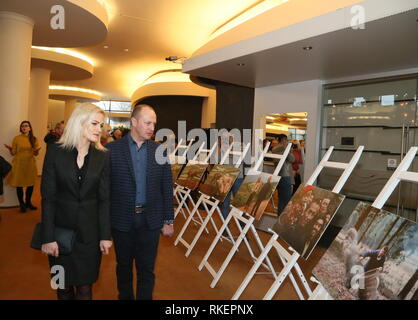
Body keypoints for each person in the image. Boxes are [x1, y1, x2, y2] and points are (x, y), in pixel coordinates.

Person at [40, 103, 112, 300]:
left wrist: (105, 235)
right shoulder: (55, 151)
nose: (100, 129)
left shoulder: (103, 156)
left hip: (90, 236)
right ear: (79, 123)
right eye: (95, 124)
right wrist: (47, 237)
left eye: (102, 125)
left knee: (85, 289)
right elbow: (48, 198)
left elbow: (105, 199)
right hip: (59, 235)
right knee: (61, 286)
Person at [106, 104, 174, 300]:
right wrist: (104, 226)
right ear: (134, 122)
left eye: (154, 123)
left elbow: (166, 187)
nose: (152, 127)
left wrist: (168, 219)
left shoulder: (159, 150)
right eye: (147, 122)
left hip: (150, 221)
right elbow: (105, 190)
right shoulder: (111, 150)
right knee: (124, 267)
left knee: (147, 269)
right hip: (121, 220)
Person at [4, 121, 40, 212]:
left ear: (30, 128)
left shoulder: (34, 139)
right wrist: (10, 149)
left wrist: (36, 151)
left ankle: (28, 202)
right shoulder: (16, 138)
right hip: (19, 164)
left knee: (30, 184)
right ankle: (22, 205)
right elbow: (13, 153)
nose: (24, 127)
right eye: (22, 126)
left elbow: (36, 154)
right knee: (19, 184)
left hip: (30, 164)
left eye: (26, 126)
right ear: (21, 128)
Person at [272, 134, 295, 215]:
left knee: (281, 200)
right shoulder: (285, 149)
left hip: (278, 176)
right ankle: (282, 221)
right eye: (287, 140)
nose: (287, 142)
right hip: (285, 177)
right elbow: (292, 159)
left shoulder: (274, 148)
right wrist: (290, 151)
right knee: (286, 201)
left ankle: (279, 218)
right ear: (284, 140)